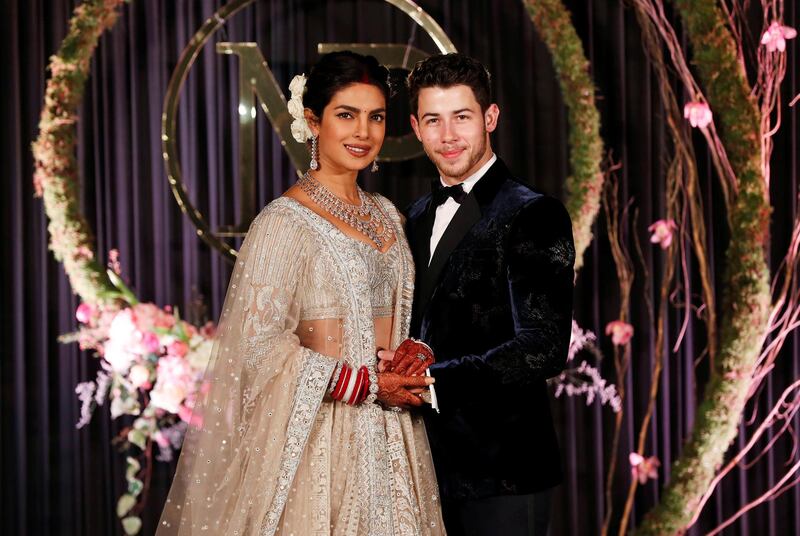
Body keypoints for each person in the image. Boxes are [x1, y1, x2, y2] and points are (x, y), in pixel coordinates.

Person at [157, 51, 445, 536]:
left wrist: (410, 357)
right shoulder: (283, 222)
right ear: (313, 121)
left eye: (375, 117)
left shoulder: (389, 216)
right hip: (318, 443)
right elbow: (260, 345)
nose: (363, 133)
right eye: (346, 115)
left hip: (394, 439)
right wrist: (367, 385)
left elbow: (402, 317)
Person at [385, 53, 575, 535]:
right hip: (420, 471)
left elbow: (543, 349)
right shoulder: (414, 216)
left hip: (504, 474)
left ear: (490, 117)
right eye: (433, 120)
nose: (448, 135)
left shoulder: (534, 213)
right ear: (415, 127)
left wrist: (432, 383)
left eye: (462, 117)